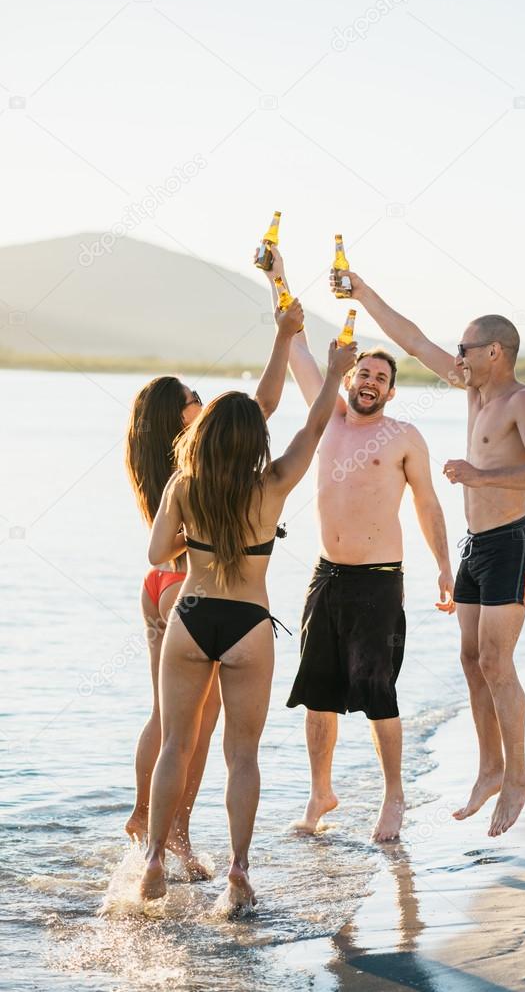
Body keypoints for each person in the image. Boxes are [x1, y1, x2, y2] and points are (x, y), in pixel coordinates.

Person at [336, 268, 525, 838]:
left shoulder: (521, 401)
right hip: (477, 546)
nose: (456, 356)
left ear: (494, 351)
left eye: (465, 348)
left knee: (494, 661)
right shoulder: (473, 388)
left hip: (513, 541)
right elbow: (412, 341)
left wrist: (479, 475)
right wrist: (363, 292)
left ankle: (518, 774)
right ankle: (489, 766)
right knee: (469, 657)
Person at [139, 331, 357, 910]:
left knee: (175, 747)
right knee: (242, 756)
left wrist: (195, 534)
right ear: (255, 439)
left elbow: (159, 555)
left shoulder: (183, 484)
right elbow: (314, 429)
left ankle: (155, 859)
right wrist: (335, 372)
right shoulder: (273, 484)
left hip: (189, 615)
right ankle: (237, 869)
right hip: (247, 623)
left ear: (203, 435)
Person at [257, 246, 455, 844]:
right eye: (362, 374)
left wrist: (445, 569)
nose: (369, 382)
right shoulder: (330, 418)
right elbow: (292, 342)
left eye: (380, 377)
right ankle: (322, 792)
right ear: (350, 379)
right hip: (327, 577)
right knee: (317, 693)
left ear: (392, 391)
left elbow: (427, 504)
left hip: (378, 580)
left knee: (377, 694)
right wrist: (278, 277)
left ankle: (394, 797)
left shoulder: (403, 436)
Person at [124, 308, 300, 874]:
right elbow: (263, 407)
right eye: (193, 394)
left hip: (158, 583)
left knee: (167, 717)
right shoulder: (204, 447)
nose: (201, 399)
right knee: (200, 729)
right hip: (195, 584)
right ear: (181, 413)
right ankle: (177, 833)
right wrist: (283, 337)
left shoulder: (161, 454)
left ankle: (144, 816)